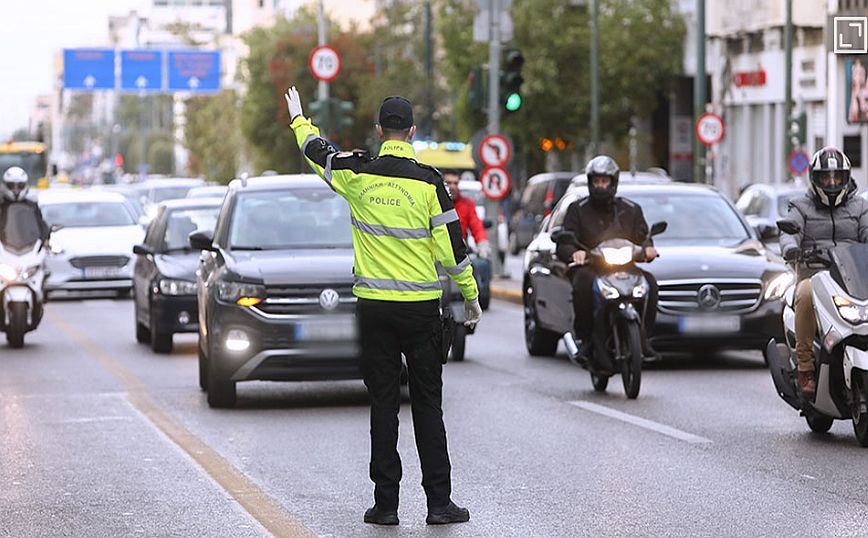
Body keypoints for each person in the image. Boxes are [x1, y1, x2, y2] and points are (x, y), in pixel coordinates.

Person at [285, 87, 480, 526]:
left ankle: (386, 505)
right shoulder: (431, 183)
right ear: (412, 132)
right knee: (428, 404)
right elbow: (452, 251)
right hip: (420, 311)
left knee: (383, 404)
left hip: (374, 310)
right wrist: (470, 297)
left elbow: (319, 152)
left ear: (379, 131)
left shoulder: (358, 173)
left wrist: (300, 120)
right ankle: (439, 504)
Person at [780, 146, 868, 399]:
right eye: (825, 177)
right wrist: (791, 249)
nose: (831, 182)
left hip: (854, 275)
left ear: (846, 177)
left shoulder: (860, 206)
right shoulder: (800, 205)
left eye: (836, 177)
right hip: (814, 273)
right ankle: (806, 368)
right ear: (814, 178)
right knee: (805, 294)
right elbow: (789, 233)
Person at [555, 155, 659, 363]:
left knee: (650, 283)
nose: (601, 186)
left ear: (613, 182)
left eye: (605, 181)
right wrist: (574, 252)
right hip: (591, 266)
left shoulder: (630, 209)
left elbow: (643, 236)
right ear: (590, 182)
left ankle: (644, 338)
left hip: (625, 265)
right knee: (582, 284)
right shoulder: (578, 209)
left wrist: (648, 249)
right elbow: (565, 240)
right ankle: (585, 339)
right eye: (597, 181)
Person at [443, 170, 491, 259]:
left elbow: (477, 227)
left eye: (455, 183)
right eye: (448, 183)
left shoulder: (467, 204)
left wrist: (483, 246)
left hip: (460, 253)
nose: (452, 186)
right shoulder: (435, 203)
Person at [0, 166, 50, 249]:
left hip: (27, 249)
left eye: (20, 185)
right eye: (11, 186)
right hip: (4, 249)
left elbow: (41, 225)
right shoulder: (1, 204)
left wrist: (45, 239)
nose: (16, 190)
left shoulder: (31, 206)